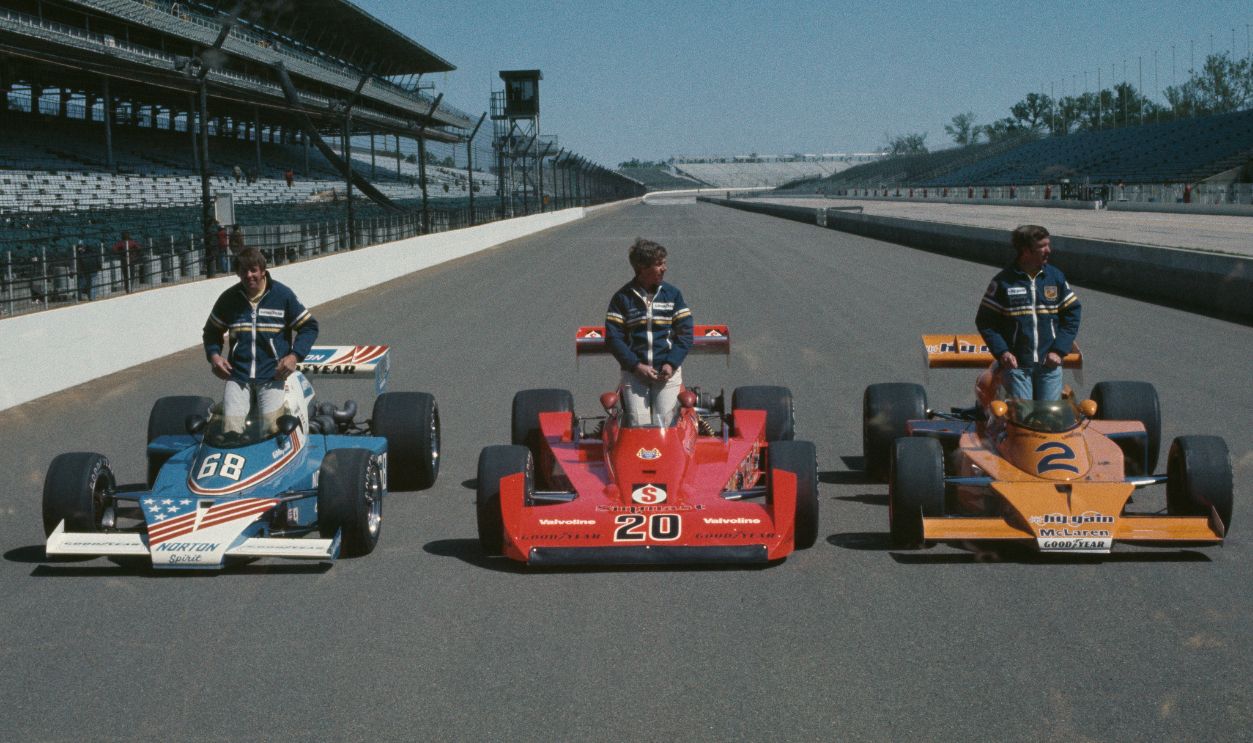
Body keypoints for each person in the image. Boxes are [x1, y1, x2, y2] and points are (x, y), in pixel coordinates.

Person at [202, 247, 318, 435]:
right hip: (238, 375)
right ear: (237, 273)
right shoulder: (228, 299)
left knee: (272, 430)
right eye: (243, 271)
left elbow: (309, 326)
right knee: (230, 429)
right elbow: (211, 331)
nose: (249, 275)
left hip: (273, 375)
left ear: (263, 270)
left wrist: (294, 356)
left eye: (253, 270)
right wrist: (214, 356)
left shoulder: (282, 295)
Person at [976, 225, 1081, 401]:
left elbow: (1072, 314)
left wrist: (1059, 350)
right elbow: (985, 322)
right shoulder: (1003, 282)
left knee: (1048, 417)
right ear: (1026, 251)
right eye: (1043, 246)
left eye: (1049, 244)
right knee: (1023, 417)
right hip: (1017, 366)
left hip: (1049, 364)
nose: (1049, 250)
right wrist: (1003, 353)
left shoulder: (1055, 278)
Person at [604, 238, 693, 426]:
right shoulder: (622, 298)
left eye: (664, 263)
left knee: (667, 425)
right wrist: (636, 366)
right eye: (659, 264)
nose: (664, 268)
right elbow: (613, 338)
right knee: (637, 425)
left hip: (667, 373)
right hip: (635, 373)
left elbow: (685, 333)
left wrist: (671, 364)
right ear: (642, 267)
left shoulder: (673, 295)